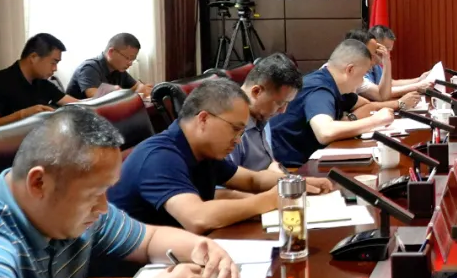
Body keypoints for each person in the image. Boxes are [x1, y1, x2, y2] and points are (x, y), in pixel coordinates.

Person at [0, 107, 240, 278]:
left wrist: (202, 247)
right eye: (93, 194)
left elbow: (149, 240)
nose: (104, 207)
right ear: (39, 183)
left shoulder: (73, 209)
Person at [108, 79, 333, 233]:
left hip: (182, 255)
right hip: (140, 273)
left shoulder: (202, 150)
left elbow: (252, 180)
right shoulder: (160, 157)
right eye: (235, 129)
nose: (238, 140)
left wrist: (295, 182)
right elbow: (198, 218)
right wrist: (271, 199)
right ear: (203, 119)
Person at [268, 40, 396, 167]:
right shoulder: (319, 89)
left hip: (310, 161)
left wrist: (350, 119)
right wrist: (375, 121)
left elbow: (366, 105)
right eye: (363, 75)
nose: (362, 81)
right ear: (350, 70)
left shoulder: (335, 84)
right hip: (290, 169)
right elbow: (325, 133)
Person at [0, 33, 79, 128]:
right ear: (33, 57)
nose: (55, 69)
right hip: (9, 139)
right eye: (53, 63)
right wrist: (23, 114)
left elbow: (73, 103)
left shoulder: (42, 82)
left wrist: (87, 103)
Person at [226, 53, 301, 172]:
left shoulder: (261, 115)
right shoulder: (228, 125)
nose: (283, 111)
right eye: (279, 103)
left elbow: (267, 163)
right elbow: (225, 181)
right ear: (256, 92)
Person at [344, 28, 426, 105]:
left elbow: (382, 95)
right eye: (372, 54)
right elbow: (376, 100)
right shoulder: (349, 73)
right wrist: (401, 103)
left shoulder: (361, 75)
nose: (386, 53)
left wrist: (387, 61)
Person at [66, 33, 154, 100]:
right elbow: (94, 95)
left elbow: (138, 87)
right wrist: (132, 92)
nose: (130, 63)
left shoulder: (119, 70)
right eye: (128, 58)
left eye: (133, 59)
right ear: (111, 52)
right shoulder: (89, 68)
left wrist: (141, 89)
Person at [368, 25, 432, 91]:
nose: (387, 54)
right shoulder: (363, 67)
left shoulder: (376, 66)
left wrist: (419, 79)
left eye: (389, 50)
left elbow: (390, 83)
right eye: (386, 49)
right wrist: (417, 86)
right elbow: (379, 93)